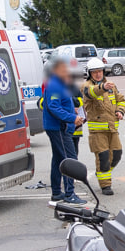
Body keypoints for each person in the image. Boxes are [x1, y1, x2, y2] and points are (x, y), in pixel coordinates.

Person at [42, 58, 86, 206]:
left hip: (59, 126)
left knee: (58, 159)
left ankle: (56, 192)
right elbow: (53, 107)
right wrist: (72, 118)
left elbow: (59, 104)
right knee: (69, 159)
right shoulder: (54, 85)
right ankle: (69, 193)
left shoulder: (59, 84)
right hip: (59, 128)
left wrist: (71, 110)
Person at [82, 59, 125, 196]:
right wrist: (103, 87)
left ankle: (101, 172)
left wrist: (120, 111)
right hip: (97, 131)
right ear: (89, 73)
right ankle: (105, 185)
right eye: (94, 72)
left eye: (100, 71)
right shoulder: (86, 86)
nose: (98, 74)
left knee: (117, 154)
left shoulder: (111, 85)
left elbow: (121, 100)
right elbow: (92, 93)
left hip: (112, 128)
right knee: (103, 156)